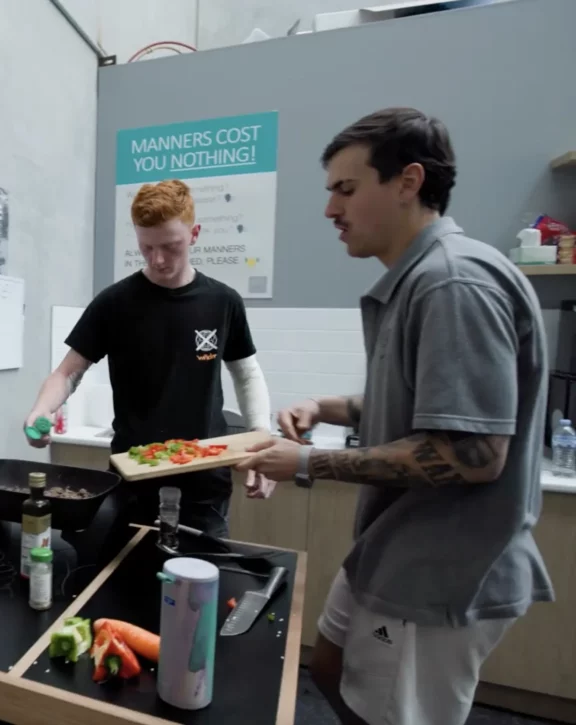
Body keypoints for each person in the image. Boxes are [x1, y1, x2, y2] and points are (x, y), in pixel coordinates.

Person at [236, 107, 554, 725]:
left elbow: (473, 454)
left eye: (346, 190)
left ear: (408, 182)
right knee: (326, 667)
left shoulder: (452, 284)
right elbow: (423, 408)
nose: (330, 210)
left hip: (440, 571)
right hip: (391, 550)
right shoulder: (415, 282)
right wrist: (328, 407)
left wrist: (305, 460)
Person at [23, 179, 275, 539]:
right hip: (132, 477)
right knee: (123, 584)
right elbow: (67, 373)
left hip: (204, 483)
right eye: (146, 247)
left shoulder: (223, 301)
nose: (157, 259)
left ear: (194, 234)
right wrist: (42, 410)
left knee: (199, 583)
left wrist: (262, 439)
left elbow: (247, 374)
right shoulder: (114, 303)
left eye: (170, 246)